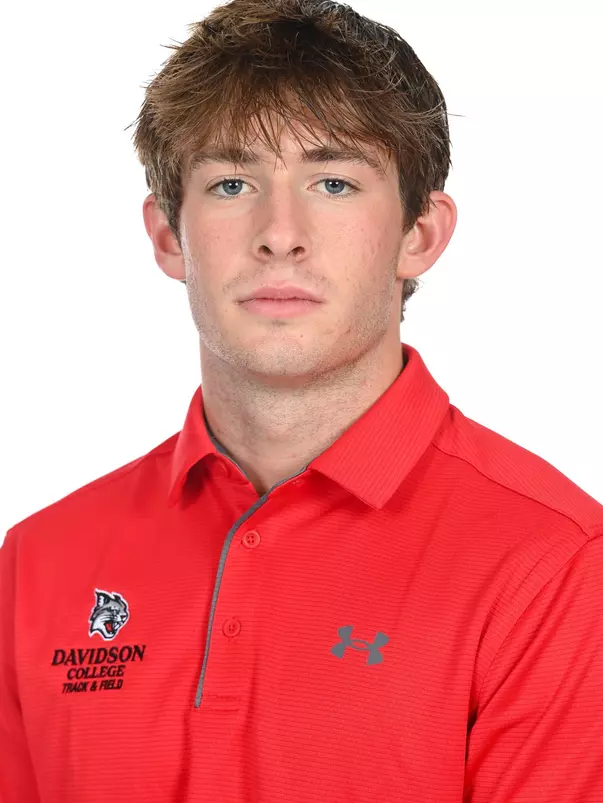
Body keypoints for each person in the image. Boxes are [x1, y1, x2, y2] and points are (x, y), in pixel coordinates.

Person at [2, 0, 602, 800]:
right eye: (230, 181)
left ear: (418, 233)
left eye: (331, 181)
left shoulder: (556, 565)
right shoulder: (40, 562)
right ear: (169, 236)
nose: (279, 232)